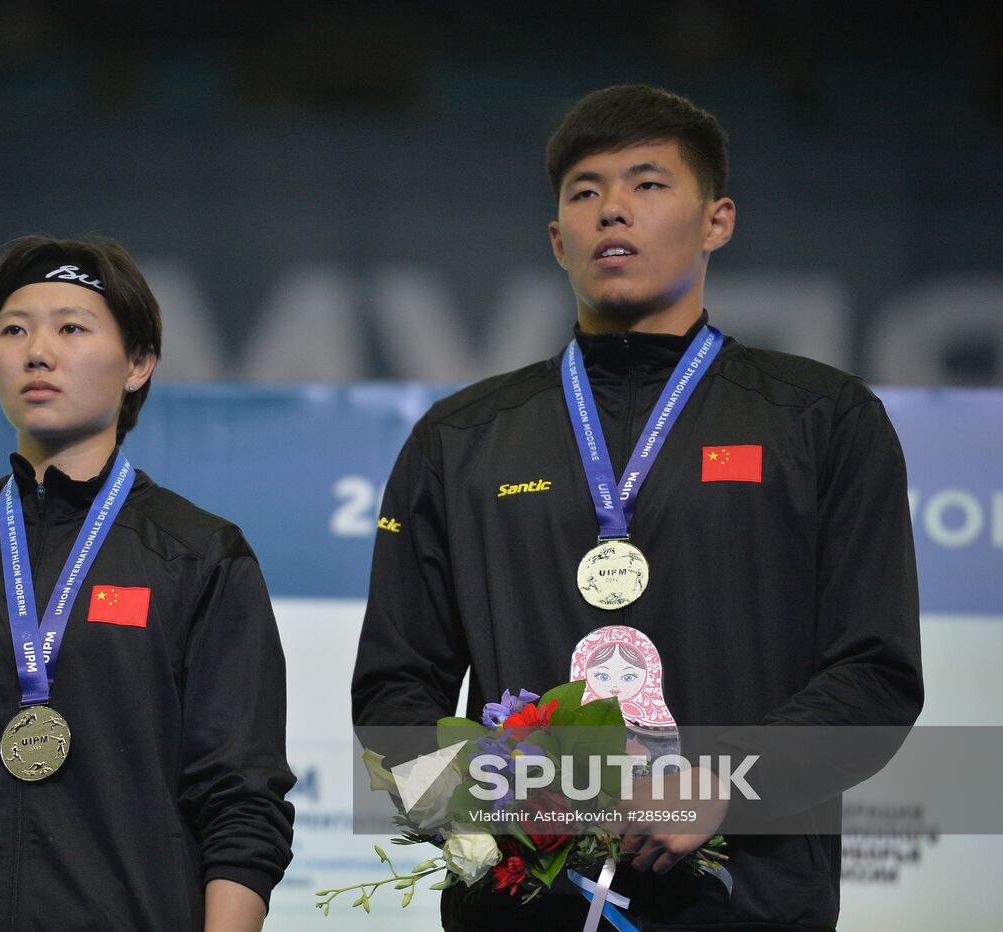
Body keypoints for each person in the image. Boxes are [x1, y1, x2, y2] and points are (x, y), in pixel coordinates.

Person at [352, 85, 923, 929]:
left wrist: (725, 783)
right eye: (585, 193)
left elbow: (875, 675)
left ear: (717, 220)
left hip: (744, 907)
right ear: (556, 239)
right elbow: (396, 691)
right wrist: (494, 807)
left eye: (648, 185)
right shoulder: (459, 439)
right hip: (522, 909)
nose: (612, 210)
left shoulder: (822, 420)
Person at [0, 235, 295, 931]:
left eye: (71, 327)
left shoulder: (201, 556)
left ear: (138, 364)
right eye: (14, 330)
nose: (36, 351)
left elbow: (242, 804)